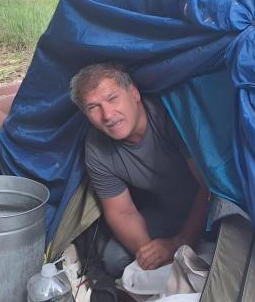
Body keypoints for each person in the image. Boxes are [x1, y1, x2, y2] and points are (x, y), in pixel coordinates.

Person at [70, 62, 209, 277]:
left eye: (112, 98)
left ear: (134, 93)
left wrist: (180, 242)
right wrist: (152, 255)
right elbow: (121, 211)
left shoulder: (170, 116)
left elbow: (209, 187)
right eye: (93, 107)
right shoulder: (96, 147)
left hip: (211, 210)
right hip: (167, 214)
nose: (107, 115)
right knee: (114, 259)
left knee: (227, 255)